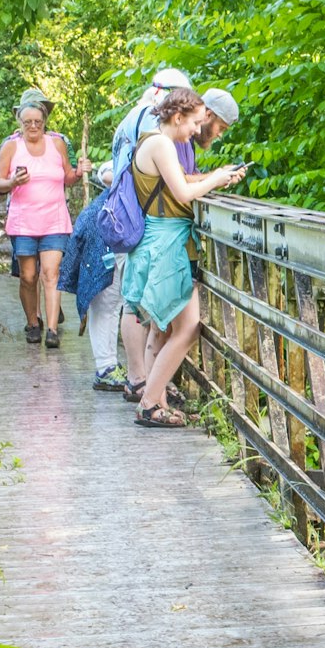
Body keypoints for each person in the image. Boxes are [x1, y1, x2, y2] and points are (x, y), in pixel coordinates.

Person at [118, 88, 248, 428]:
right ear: (177, 118)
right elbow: (184, 192)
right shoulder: (160, 144)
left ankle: (155, 399)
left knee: (162, 328)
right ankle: (148, 403)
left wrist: (215, 179)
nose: (196, 129)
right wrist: (217, 177)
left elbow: (181, 182)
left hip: (165, 240)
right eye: (193, 122)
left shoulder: (157, 142)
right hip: (165, 242)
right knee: (187, 327)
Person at [76, 65, 192, 390]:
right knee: (133, 301)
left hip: (120, 216)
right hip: (139, 220)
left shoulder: (132, 117)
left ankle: (138, 378)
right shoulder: (150, 121)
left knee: (127, 299)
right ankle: (140, 380)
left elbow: (113, 170)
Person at [0, 92, 82, 350]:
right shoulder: (11, 146)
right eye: (27, 121)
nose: (33, 126)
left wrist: (79, 173)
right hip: (23, 222)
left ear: (44, 121)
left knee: (51, 274)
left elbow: (68, 177)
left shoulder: (58, 143)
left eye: (37, 121)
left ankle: (52, 330)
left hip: (54, 220)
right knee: (28, 276)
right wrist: (12, 182)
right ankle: (33, 323)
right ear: (19, 122)